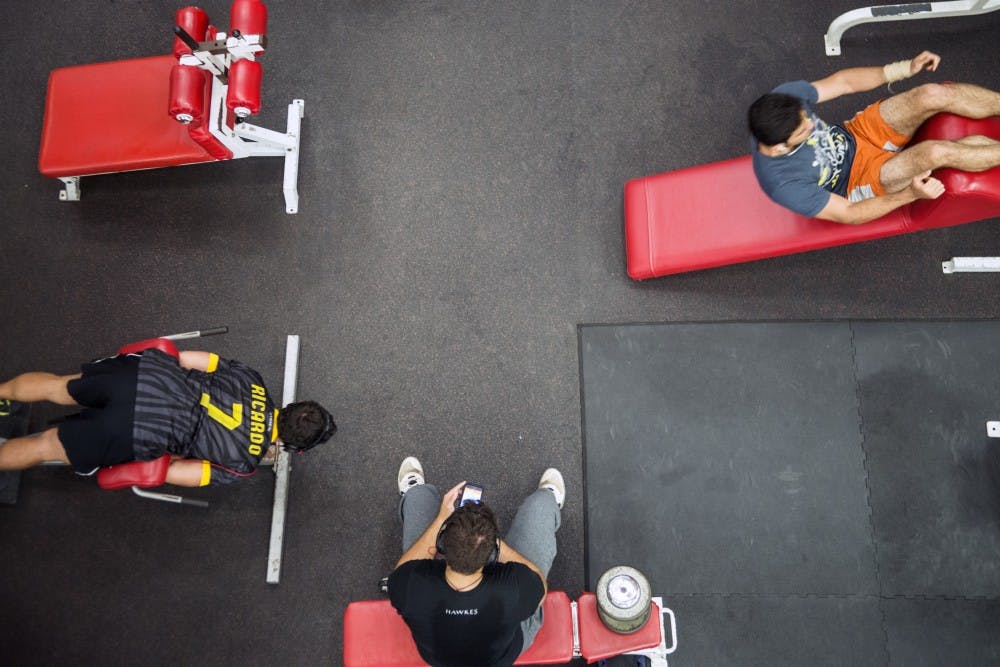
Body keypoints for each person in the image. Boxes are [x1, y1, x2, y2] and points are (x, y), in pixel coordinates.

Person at [0, 347, 336, 486]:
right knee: (45, 447)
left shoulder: (253, 379)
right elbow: (172, 472)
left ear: (292, 405)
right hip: (141, 429)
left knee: (59, 386)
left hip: (146, 378)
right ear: (294, 448)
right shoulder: (242, 463)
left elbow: (189, 359)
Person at [748, 50, 1000, 225]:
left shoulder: (784, 101)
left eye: (807, 117)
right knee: (935, 153)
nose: (811, 124)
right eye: (804, 131)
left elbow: (844, 82)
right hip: (856, 181)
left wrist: (902, 69)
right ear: (781, 148)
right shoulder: (783, 185)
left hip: (857, 133)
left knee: (931, 94)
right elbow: (848, 213)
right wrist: (909, 195)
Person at [388, 457, 565, 667]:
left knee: (418, 497)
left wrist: (440, 520)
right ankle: (547, 498)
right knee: (542, 505)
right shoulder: (514, 589)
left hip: (438, 659)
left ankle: (416, 493)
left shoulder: (409, 585)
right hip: (503, 652)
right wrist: (496, 544)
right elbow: (540, 586)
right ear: (492, 553)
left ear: (440, 547)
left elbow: (403, 569)